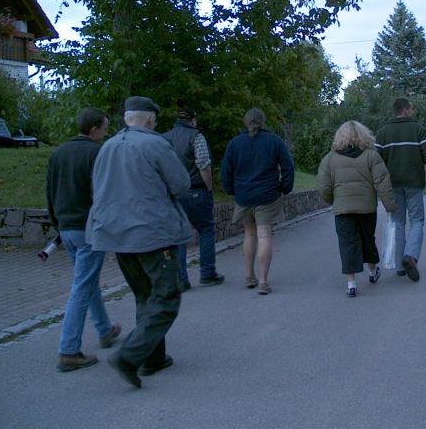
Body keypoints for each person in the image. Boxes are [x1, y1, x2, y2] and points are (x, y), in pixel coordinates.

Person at [87, 96, 193, 388]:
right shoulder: (155, 144)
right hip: (152, 234)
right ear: (149, 119)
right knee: (167, 297)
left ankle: (153, 358)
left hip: (116, 236)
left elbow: (98, 189)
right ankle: (129, 357)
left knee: (145, 296)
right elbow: (181, 184)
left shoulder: (106, 147)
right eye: (155, 120)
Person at [46, 108, 121, 372]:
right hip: (89, 229)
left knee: (87, 282)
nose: (106, 131)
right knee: (81, 286)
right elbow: (104, 194)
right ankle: (68, 350)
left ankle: (104, 330)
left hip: (66, 228)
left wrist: (58, 223)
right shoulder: (97, 153)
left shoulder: (59, 153)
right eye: (105, 127)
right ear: (93, 130)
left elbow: (50, 190)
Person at [318, 121, 396, 297]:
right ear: (364, 135)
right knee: (367, 239)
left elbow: (324, 186)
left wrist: (332, 200)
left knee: (347, 243)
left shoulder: (330, 158)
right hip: (367, 208)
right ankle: (372, 271)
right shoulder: (371, 156)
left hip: (343, 209)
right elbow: (382, 182)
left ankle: (351, 284)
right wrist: (390, 206)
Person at [221, 108, 294, 295]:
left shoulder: (235, 143)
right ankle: (263, 281)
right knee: (264, 236)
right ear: (263, 121)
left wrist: (232, 190)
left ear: (246, 122)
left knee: (249, 235)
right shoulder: (274, 141)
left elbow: (226, 171)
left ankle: (248, 276)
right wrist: (285, 188)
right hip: (268, 195)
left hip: (244, 195)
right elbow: (288, 167)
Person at [375, 98, 426, 282]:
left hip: (393, 183)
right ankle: (410, 255)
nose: (413, 111)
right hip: (414, 182)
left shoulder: (383, 132)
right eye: (411, 108)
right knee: (417, 220)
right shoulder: (418, 129)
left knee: (398, 222)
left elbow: (376, 160)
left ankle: (400, 266)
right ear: (406, 110)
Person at [164, 107, 223, 291]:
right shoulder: (196, 136)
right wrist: (209, 187)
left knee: (180, 235)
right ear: (192, 120)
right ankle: (207, 273)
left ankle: (181, 279)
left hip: (173, 194)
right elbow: (204, 164)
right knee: (206, 229)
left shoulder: (164, 138)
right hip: (196, 190)